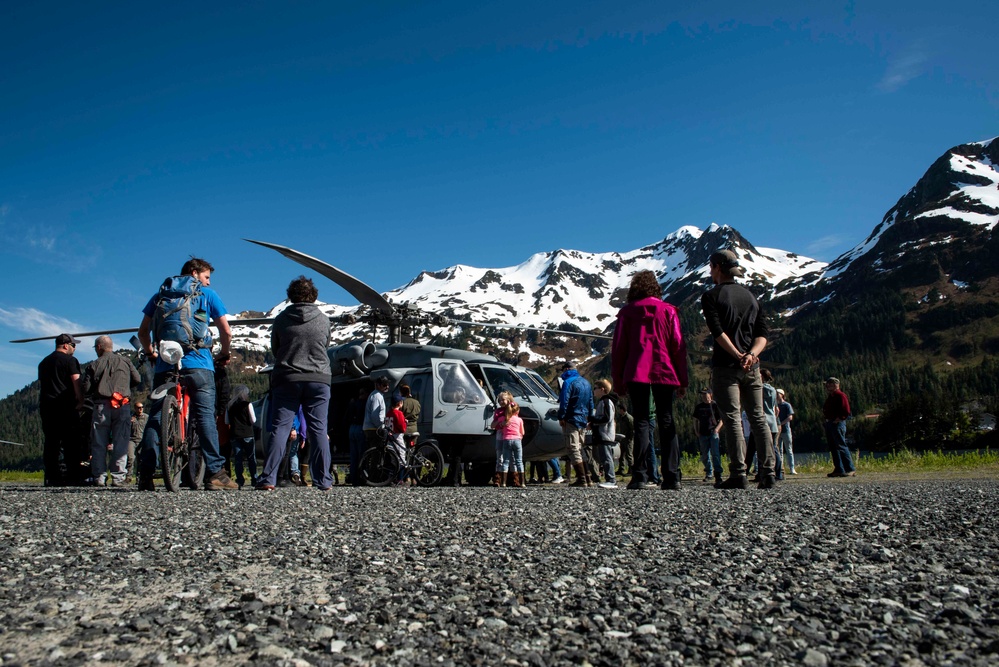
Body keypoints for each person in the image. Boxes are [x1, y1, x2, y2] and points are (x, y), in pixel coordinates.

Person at [137, 257, 237, 490]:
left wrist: (152, 354)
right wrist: (224, 352)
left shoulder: (160, 295)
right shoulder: (207, 295)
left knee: (156, 417)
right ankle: (215, 473)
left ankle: (146, 473)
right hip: (199, 364)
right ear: (194, 273)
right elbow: (226, 331)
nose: (208, 283)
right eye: (206, 277)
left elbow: (143, 333)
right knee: (204, 417)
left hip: (166, 365)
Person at [701, 249, 776, 490]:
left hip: (726, 366)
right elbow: (763, 334)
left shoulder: (712, 296)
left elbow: (717, 331)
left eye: (711, 267)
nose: (710, 271)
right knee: (758, 417)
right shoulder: (751, 297)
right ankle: (768, 472)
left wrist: (736, 355)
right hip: (752, 367)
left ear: (717, 267)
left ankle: (738, 473)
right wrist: (751, 355)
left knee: (732, 418)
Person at [611, 270, 688, 490]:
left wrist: (618, 382)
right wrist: (682, 380)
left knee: (642, 422)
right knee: (666, 419)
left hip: (637, 371)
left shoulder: (627, 313)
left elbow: (618, 350)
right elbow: (678, 346)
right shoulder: (668, 311)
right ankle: (672, 476)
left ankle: (640, 476)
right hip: (664, 369)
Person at [257, 276, 333, 491]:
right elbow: (325, 345)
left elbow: (275, 348)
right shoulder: (324, 320)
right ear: (314, 295)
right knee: (318, 429)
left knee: (280, 428)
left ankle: (268, 478)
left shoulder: (281, 319)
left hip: (287, 377)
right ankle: (324, 480)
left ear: (290, 295)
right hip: (318, 378)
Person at [81, 335, 141, 486]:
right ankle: (118, 477)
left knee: (98, 442)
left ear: (99, 347)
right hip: (122, 405)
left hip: (101, 405)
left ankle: (99, 477)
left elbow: (86, 388)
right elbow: (137, 379)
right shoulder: (125, 361)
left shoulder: (94, 364)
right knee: (121, 442)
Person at [37, 333, 84, 486]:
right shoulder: (70, 361)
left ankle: (52, 477)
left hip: (47, 406)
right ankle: (72, 476)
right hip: (66, 406)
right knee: (71, 442)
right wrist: (80, 400)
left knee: (51, 443)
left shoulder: (43, 362)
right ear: (65, 345)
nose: (75, 348)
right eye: (73, 345)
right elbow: (76, 382)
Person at [556, 361, 594, 487]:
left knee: (573, 448)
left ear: (566, 369)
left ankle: (581, 479)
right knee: (580, 447)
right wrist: (590, 417)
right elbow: (590, 401)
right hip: (583, 419)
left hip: (571, 418)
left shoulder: (568, 382)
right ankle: (588, 477)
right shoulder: (586, 382)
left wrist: (561, 416)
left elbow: (564, 401)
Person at [823, 377, 856, 477]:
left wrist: (839, 418)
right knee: (833, 447)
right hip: (830, 423)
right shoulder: (831, 396)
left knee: (841, 445)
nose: (828, 386)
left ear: (836, 384)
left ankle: (850, 468)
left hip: (837, 423)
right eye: (827, 384)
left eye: (830, 384)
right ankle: (839, 469)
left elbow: (846, 410)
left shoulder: (840, 395)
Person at [226, 385, 257, 488]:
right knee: (251, 458)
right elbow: (253, 420)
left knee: (238, 459)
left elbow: (227, 421)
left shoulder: (229, 405)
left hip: (234, 434)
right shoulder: (248, 405)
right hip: (247, 433)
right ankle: (254, 478)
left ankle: (240, 480)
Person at [589, 380, 618, 489]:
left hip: (605, 434)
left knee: (607, 458)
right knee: (603, 457)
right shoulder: (603, 401)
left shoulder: (606, 401)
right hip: (602, 434)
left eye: (595, 388)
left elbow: (606, 418)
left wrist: (592, 419)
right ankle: (609, 479)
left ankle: (611, 480)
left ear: (602, 389)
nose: (594, 390)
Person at [692, 388, 724, 484]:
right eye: (702, 394)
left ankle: (718, 472)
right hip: (702, 433)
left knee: (715, 453)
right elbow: (695, 420)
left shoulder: (715, 405)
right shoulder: (699, 407)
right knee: (705, 455)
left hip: (713, 432)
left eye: (705, 394)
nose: (703, 396)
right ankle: (708, 472)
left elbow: (722, 419)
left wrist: (717, 429)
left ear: (710, 394)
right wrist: (696, 431)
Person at [761, 369, 782, 481]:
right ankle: (779, 472)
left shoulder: (760, 388)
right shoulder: (773, 390)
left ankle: (764, 472)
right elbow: (776, 409)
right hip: (773, 421)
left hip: (764, 421)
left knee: (765, 448)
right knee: (774, 448)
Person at [490, 391, 515, 486]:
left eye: (503, 400)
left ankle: (513, 478)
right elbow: (493, 424)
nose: (501, 402)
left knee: (512, 457)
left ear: (508, 400)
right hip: (500, 434)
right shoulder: (498, 411)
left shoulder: (513, 409)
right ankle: (498, 479)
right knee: (499, 457)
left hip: (510, 434)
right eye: (499, 400)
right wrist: (500, 423)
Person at [500, 400, 526, 488]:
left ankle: (503, 482)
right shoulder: (519, 420)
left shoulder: (505, 419)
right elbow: (522, 432)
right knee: (519, 461)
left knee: (506, 461)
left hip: (506, 440)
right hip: (517, 440)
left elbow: (502, 429)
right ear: (517, 411)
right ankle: (522, 482)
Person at [347, 386, 369, 486]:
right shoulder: (365, 404)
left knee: (353, 455)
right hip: (360, 427)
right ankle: (361, 477)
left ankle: (353, 478)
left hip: (352, 428)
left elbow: (347, 416)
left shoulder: (353, 403)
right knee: (362, 454)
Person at [363, 376, 390, 454]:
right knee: (377, 453)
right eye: (384, 385)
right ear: (378, 385)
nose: (387, 387)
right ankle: (374, 466)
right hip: (373, 429)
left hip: (371, 428)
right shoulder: (377, 396)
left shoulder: (377, 395)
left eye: (387, 384)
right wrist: (381, 426)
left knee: (374, 452)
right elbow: (375, 415)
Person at [776, 389, 796, 474]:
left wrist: (780, 424)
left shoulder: (787, 405)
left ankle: (792, 468)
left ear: (782, 395)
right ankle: (781, 468)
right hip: (777, 431)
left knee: (789, 449)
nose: (776, 395)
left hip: (785, 430)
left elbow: (790, 417)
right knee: (779, 450)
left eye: (778, 394)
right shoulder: (775, 405)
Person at [128, 401, 148, 484]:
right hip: (131, 440)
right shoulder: (131, 417)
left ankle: (139, 478)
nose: (141, 409)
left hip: (142, 440)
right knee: (130, 458)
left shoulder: (146, 417)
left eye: (142, 407)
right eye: (139, 407)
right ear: (135, 408)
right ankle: (128, 476)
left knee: (141, 460)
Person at [614, 402, 634, 479]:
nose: (619, 411)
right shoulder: (622, 417)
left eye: (619, 409)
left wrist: (630, 438)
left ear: (622, 409)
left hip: (628, 439)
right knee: (621, 455)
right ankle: (621, 469)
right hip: (622, 439)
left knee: (629, 455)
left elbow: (632, 429)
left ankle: (631, 470)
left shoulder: (629, 418)